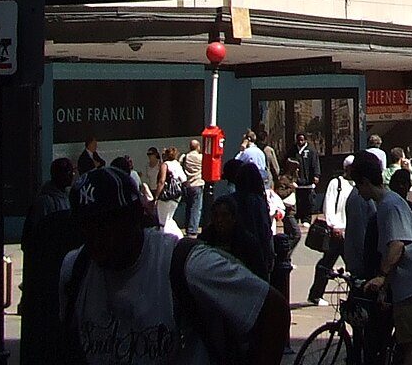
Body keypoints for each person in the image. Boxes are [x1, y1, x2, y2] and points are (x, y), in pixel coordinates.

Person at [60, 165, 288, 365]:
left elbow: (273, 310)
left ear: (134, 218)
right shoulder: (75, 269)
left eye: (106, 226)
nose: (96, 239)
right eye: (87, 228)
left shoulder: (186, 264)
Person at [350, 152, 412, 365]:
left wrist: (382, 276)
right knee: (403, 339)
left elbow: (397, 245)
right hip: (407, 282)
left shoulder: (390, 205)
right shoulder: (387, 203)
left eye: (358, 185)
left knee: (411, 343)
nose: (358, 191)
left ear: (366, 182)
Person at [19, 160, 82, 365]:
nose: (71, 175)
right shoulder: (45, 202)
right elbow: (35, 240)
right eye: (67, 171)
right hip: (48, 271)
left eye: (72, 171)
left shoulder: (64, 198)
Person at [307, 155, 356, 306]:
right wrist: (334, 225)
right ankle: (316, 295)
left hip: (350, 231)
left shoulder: (357, 185)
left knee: (353, 265)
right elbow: (328, 205)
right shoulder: (336, 183)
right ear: (347, 168)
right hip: (337, 231)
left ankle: (355, 295)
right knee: (327, 263)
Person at [269, 173, 302, 310]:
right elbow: (280, 194)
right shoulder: (284, 180)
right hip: (287, 214)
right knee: (296, 234)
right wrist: (291, 189)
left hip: (288, 213)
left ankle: (285, 257)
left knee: (290, 235)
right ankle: (284, 256)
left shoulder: (293, 179)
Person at [179, 137, 205, 235]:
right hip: (197, 183)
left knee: (188, 207)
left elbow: (179, 164)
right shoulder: (201, 157)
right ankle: (192, 229)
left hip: (187, 185)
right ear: (198, 147)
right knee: (196, 208)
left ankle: (187, 227)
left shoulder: (185, 157)